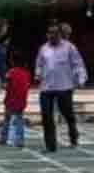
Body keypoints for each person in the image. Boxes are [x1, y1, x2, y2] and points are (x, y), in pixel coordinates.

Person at [35, 24, 87, 152]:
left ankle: (73, 137)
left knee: (67, 114)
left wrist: (81, 78)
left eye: (55, 34)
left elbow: (78, 64)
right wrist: (37, 74)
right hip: (46, 87)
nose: (52, 36)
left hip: (64, 86)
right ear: (47, 35)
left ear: (60, 35)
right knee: (46, 116)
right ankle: (50, 145)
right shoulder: (43, 49)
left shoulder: (69, 47)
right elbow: (39, 64)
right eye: (50, 34)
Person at [0, 50, 31, 148]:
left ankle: (3, 138)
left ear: (12, 61)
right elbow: (27, 86)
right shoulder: (26, 73)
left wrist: (4, 85)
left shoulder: (11, 72)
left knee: (7, 119)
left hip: (11, 99)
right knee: (19, 119)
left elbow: (5, 85)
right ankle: (19, 141)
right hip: (21, 99)